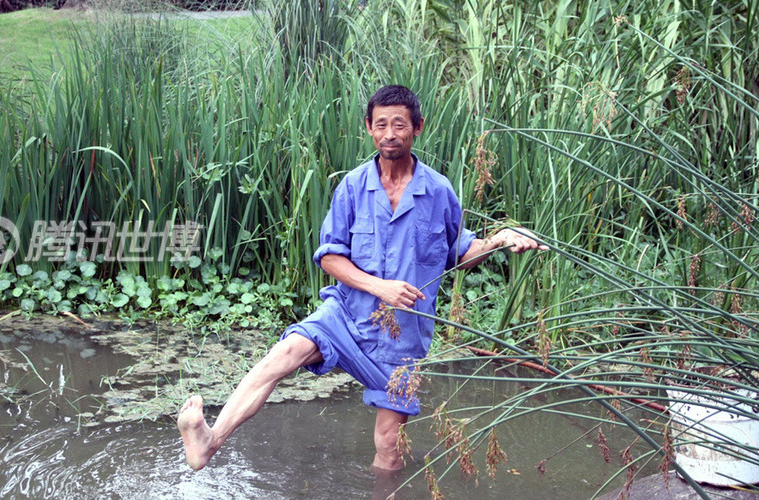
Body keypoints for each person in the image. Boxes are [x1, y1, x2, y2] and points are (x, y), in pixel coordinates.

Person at [177, 85, 547, 473]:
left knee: (388, 450)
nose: (390, 133)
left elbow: (458, 253)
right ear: (368, 128)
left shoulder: (438, 191)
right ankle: (209, 441)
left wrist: (499, 240)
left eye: (400, 125)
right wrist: (377, 286)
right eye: (381, 124)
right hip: (347, 315)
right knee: (282, 355)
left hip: (402, 341)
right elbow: (330, 258)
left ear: (417, 128)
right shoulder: (353, 186)